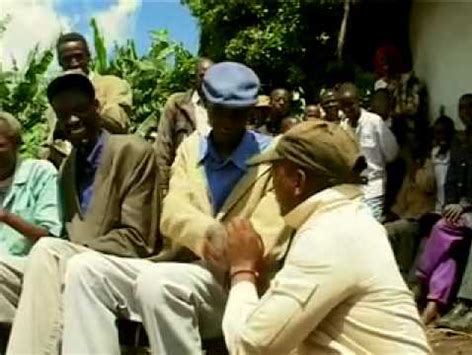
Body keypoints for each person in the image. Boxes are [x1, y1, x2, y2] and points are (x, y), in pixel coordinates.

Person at [58, 62, 290, 354]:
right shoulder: (192, 149)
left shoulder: (273, 157)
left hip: (241, 285)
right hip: (182, 269)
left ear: (252, 111)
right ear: (205, 105)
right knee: (84, 268)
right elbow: (172, 211)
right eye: (220, 111)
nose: (228, 121)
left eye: (238, 113)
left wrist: (220, 246)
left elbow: (265, 239)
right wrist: (210, 232)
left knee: (158, 284)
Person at [222, 120, 430, 354]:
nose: (272, 184)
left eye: (274, 173)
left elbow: (252, 346)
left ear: (297, 181)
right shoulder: (350, 219)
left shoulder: (328, 234)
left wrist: (242, 269)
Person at [6, 71, 160, 354]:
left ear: (96, 107)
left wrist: (74, 251)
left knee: (49, 251)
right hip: (76, 267)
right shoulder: (67, 169)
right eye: (63, 115)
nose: (72, 120)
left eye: (79, 110)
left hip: (129, 269)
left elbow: (139, 240)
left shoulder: (132, 151)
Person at [0, 112, 62, 323]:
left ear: (17, 145)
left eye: (0, 145)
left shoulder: (40, 173)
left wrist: (6, 216)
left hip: (28, 269)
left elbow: (49, 237)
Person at [422, 94, 472, 329]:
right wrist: (451, 204)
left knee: (442, 228)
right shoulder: (460, 142)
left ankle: (421, 277)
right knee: (449, 248)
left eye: (471, 108)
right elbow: (451, 181)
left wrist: (463, 205)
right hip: (464, 212)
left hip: (471, 209)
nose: (467, 112)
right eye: (462, 108)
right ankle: (435, 304)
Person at [44, 32, 132, 167]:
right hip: (70, 168)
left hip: (111, 161)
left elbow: (117, 122)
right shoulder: (54, 103)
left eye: (79, 57)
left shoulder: (113, 85)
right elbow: (51, 142)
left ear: (89, 56)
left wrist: (85, 113)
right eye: (67, 59)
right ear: (60, 62)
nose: (74, 63)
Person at [384, 116, 436, 279]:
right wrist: (391, 214)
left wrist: (416, 171)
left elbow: (428, 185)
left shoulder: (430, 160)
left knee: (394, 231)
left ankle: (402, 276)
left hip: (423, 216)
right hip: (408, 215)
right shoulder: (411, 163)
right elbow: (402, 198)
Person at [338, 82, 399, 221]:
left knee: (370, 228)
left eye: (351, 104)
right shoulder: (342, 128)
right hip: (351, 192)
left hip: (373, 190)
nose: (347, 109)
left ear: (358, 102)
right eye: (343, 105)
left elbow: (392, 153)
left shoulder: (374, 122)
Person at [154, 57, 214, 193]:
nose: (207, 80)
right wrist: (163, 188)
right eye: (202, 75)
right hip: (182, 181)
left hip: (212, 182)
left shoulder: (221, 107)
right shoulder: (177, 104)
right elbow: (163, 147)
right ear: (195, 78)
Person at [373, 44, 427, 123]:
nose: (386, 68)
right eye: (383, 64)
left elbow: (413, 109)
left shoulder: (410, 81)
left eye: (389, 63)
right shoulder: (379, 84)